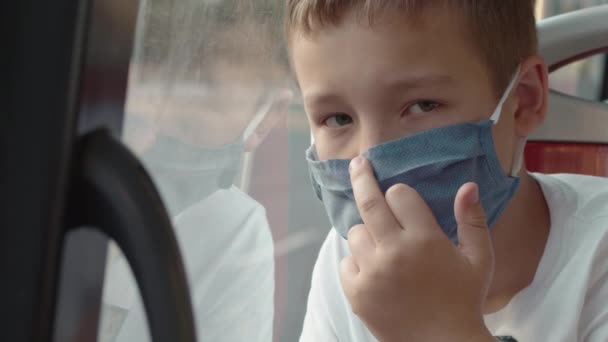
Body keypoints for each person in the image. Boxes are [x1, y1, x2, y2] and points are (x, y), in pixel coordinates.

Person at [286, 1, 608, 341]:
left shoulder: (597, 258)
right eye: (338, 119)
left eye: (422, 105)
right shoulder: (350, 259)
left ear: (524, 101)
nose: (371, 161)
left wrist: (443, 331)